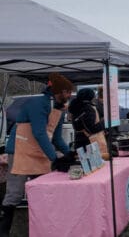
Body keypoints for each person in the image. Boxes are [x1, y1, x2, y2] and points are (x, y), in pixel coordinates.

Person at [0, 73, 74, 237]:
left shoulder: (59, 110)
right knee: (15, 193)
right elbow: (39, 132)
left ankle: (42, 228)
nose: (69, 95)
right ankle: (3, 230)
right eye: (68, 92)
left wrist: (70, 154)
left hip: (39, 153)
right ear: (59, 91)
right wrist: (54, 158)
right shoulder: (38, 103)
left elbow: (56, 138)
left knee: (43, 190)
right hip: (20, 152)